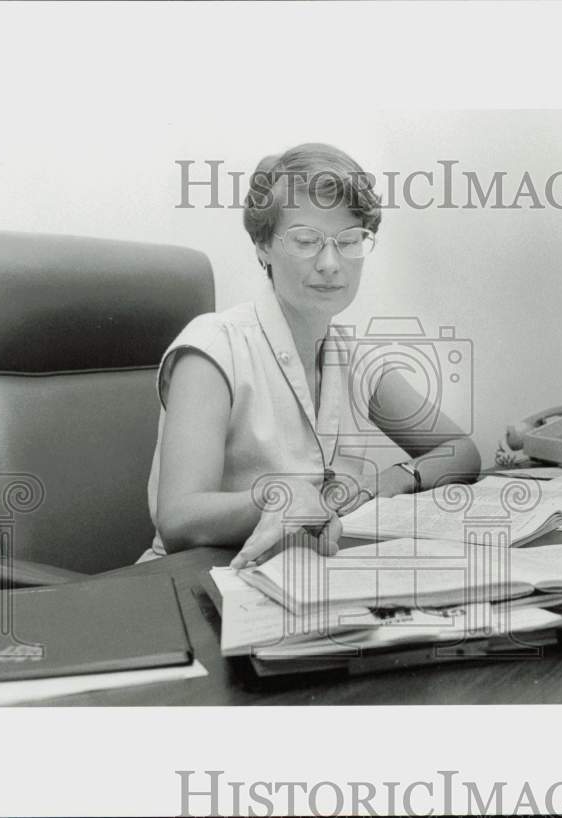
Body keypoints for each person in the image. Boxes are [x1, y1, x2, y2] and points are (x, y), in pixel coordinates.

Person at [143, 143, 480, 567]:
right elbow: (178, 519)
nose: (330, 263)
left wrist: (395, 479)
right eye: (306, 241)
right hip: (202, 581)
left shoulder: (353, 358)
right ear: (263, 246)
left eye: (349, 241)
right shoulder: (215, 347)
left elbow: (459, 450)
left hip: (312, 577)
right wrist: (277, 496)